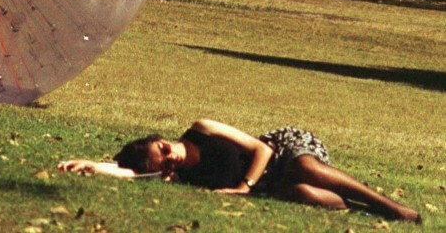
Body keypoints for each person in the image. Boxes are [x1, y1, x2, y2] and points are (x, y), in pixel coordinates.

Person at [57, 118, 420, 223]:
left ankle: (391, 207)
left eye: (164, 149)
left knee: (307, 168)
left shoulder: (202, 129)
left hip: (282, 152)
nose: (172, 158)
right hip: (273, 186)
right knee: (308, 196)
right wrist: (93, 165)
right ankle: (365, 210)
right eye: (165, 163)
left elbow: (262, 148)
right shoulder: (184, 177)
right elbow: (132, 175)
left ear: (162, 138)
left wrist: (245, 185)